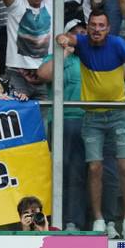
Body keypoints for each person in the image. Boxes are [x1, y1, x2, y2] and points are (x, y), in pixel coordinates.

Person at [56, 10, 125, 240]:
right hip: (92, 117)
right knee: (94, 167)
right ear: (88, 27)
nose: (97, 29)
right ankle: (98, 219)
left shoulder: (117, 44)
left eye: (102, 25)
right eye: (93, 25)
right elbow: (66, 38)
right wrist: (63, 39)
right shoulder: (83, 42)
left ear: (108, 28)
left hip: (118, 114)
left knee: (124, 165)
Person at [37, 18, 87, 230]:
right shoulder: (56, 56)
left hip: (87, 120)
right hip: (61, 120)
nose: (78, 37)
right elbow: (44, 74)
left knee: (79, 172)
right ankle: (56, 219)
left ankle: (74, 220)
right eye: (74, 33)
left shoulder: (90, 57)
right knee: (60, 170)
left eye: (82, 33)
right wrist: (65, 52)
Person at [0, 0, 53, 99]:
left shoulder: (51, 1)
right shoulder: (17, 4)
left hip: (44, 73)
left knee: (43, 121)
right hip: (17, 73)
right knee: (19, 119)